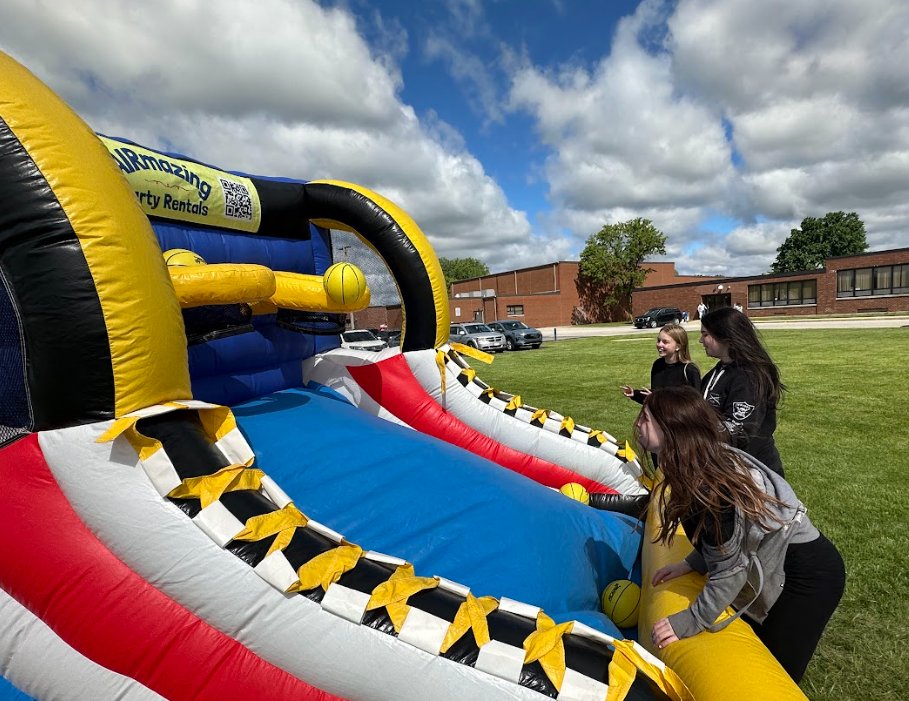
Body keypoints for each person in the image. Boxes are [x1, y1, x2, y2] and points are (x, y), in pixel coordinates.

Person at [638, 386, 845, 683]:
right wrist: (691, 564)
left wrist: (692, 619)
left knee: (774, 672)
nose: (638, 424)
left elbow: (731, 568)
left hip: (808, 577)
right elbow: (723, 537)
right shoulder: (693, 464)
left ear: (672, 429)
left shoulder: (709, 483)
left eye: (645, 418)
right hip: (789, 564)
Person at [699, 307, 785, 476]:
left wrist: (692, 429)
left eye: (705, 334)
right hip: (725, 468)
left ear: (726, 337)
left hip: (752, 473)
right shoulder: (717, 372)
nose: (700, 341)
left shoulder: (748, 376)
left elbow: (739, 431)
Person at [622, 323, 701, 405]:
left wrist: (659, 399)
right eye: (658, 341)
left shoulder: (689, 370)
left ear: (678, 346)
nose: (659, 345)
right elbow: (654, 393)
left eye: (665, 342)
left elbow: (695, 404)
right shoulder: (658, 365)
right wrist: (635, 394)